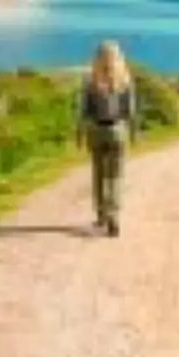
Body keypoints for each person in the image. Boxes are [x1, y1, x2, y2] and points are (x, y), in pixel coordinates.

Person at [75, 40, 138, 237]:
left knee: (99, 174)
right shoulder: (125, 79)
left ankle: (102, 214)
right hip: (118, 130)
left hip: (96, 130)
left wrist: (79, 133)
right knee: (116, 176)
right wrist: (134, 133)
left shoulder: (90, 80)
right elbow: (130, 111)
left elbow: (84, 111)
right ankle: (114, 215)